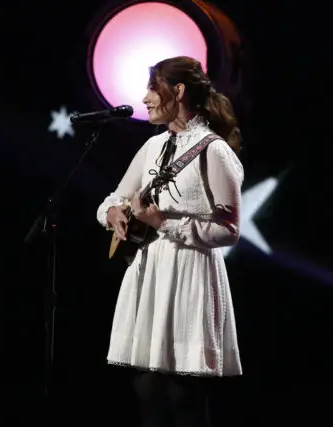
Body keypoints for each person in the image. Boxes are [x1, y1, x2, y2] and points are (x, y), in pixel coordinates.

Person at [96, 56, 244, 427]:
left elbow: (229, 229)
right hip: (151, 274)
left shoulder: (213, 150)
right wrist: (114, 213)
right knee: (148, 391)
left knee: (183, 396)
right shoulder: (151, 147)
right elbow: (114, 198)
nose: (145, 98)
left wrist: (165, 223)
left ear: (177, 91)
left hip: (190, 274)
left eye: (152, 88)